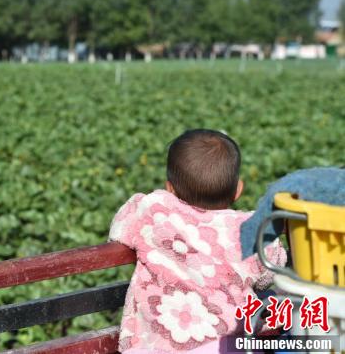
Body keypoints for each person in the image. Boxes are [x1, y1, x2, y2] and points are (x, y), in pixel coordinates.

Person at [108, 129, 286, 353]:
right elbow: (271, 271)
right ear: (238, 190)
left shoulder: (153, 210)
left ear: (169, 187)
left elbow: (119, 229)